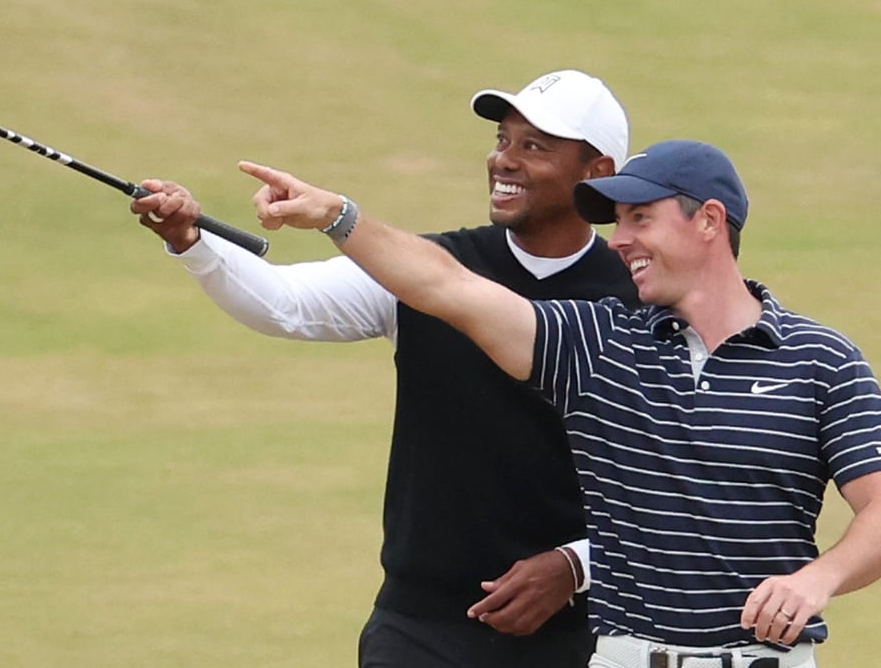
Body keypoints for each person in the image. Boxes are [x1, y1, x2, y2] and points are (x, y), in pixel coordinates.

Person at [234, 139, 881, 668]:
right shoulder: (597, 342)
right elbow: (448, 287)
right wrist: (339, 217)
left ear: (708, 221)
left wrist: (817, 579)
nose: (618, 239)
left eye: (640, 219)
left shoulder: (821, 361)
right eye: (617, 221)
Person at [131, 70, 640, 668]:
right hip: (420, 624)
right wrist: (192, 240)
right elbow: (285, 304)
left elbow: (691, 482)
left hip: (583, 633)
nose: (504, 160)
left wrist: (574, 566)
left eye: (535, 147)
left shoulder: (642, 298)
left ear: (597, 173)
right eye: (503, 140)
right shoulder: (425, 267)